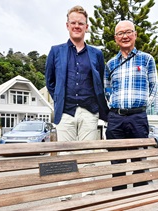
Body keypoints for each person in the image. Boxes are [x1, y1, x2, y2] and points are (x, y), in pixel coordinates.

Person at [45, 5, 109, 200]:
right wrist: (60, 98)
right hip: (66, 111)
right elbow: (50, 81)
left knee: (88, 154)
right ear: (67, 25)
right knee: (65, 155)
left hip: (90, 111)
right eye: (73, 22)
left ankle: (88, 194)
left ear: (86, 26)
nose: (77, 26)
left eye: (80, 23)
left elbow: (101, 80)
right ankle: (65, 195)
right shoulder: (56, 51)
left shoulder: (96, 54)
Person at [104, 20, 158, 191]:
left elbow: (154, 87)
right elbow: (106, 87)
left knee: (139, 162)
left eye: (128, 32)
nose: (125, 36)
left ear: (135, 35)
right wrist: (112, 105)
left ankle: (139, 200)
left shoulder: (147, 59)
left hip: (138, 117)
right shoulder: (111, 63)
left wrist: (142, 106)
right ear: (115, 38)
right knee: (117, 162)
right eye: (120, 33)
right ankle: (119, 201)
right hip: (116, 118)